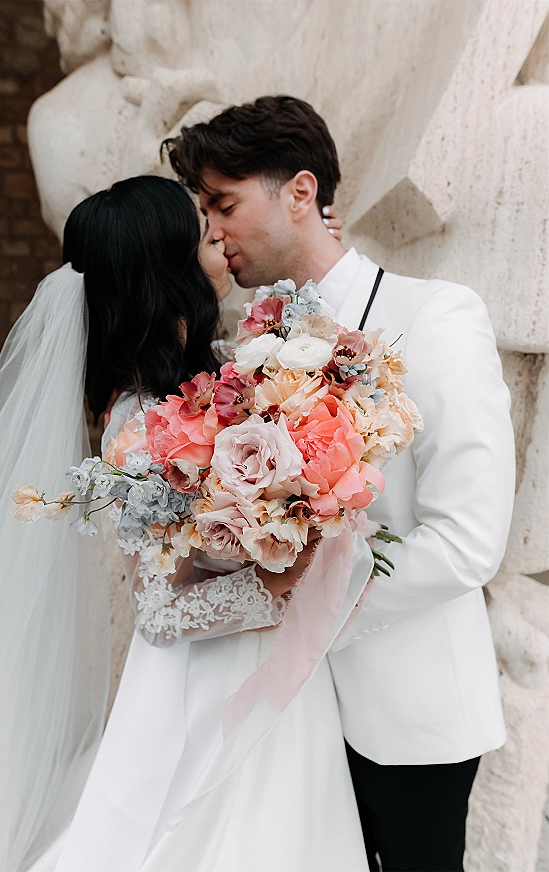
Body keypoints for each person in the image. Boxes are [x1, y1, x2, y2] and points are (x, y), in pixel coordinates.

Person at [0, 174, 371, 872]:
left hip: (271, 677)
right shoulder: (135, 424)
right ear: (169, 270)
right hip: (203, 691)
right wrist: (275, 580)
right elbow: (157, 608)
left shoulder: (222, 373)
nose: (220, 240)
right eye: (204, 235)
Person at [164, 94, 516, 872]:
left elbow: (468, 541)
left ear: (300, 192)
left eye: (223, 204)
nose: (212, 231)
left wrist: (303, 615)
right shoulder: (242, 352)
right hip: (290, 730)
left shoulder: (436, 318)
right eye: (203, 209)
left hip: (409, 717)